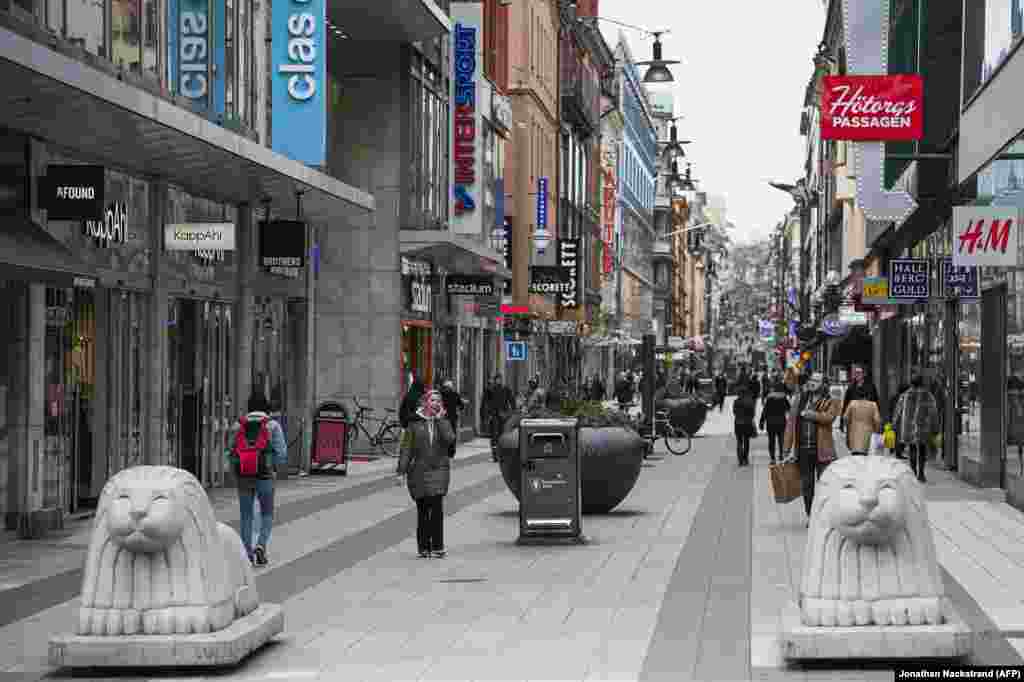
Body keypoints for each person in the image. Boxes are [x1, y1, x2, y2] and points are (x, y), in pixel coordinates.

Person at [226, 391, 287, 567]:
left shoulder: (238, 425)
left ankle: (246, 552)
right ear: (265, 407)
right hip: (266, 476)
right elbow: (282, 454)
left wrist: (238, 467)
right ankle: (260, 545)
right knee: (267, 513)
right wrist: (271, 466)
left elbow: (230, 452)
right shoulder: (272, 425)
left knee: (246, 515)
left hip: (244, 476)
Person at [396, 390, 455, 558]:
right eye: (432, 400)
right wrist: (401, 471)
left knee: (436, 508)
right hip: (419, 472)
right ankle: (423, 547)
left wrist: (441, 420)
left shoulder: (443, 421)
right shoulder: (414, 423)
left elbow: (450, 439)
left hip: (439, 470)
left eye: (438, 400)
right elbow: (406, 449)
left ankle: (437, 546)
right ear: (425, 402)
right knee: (423, 510)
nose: (436, 403)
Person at [784, 372, 841, 523]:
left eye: (817, 380)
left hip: (823, 451)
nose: (812, 382)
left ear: (823, 384)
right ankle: (812, 516)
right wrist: (786, 449)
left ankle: (824, 516)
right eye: (811, 379)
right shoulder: (800, 399)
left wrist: (811, 415)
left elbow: (829, 418)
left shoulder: (831, 400)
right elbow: (790, 424)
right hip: (803, 451)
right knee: (807, 487)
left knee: (825, 486)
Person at [893, 372, 939, 483]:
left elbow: (898, 411)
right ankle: (921, 473)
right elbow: (933, 412)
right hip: (922, 427)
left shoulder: (904, 395)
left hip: (908, 427)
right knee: (922, 449)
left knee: (912, 448)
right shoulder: (927, 395)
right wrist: (935, 427)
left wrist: (894, 423)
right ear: (922, 383)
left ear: (911, 383)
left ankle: (913, 472)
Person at [481, 374, 514, 461]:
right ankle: (496, 456)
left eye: (500, 379)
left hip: (501, 415)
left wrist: (512, 412)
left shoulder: (505, 389)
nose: (499, 381)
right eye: (497, 379)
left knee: (500, 435)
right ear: (495, 380)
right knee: (495, 436)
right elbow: (484, 403)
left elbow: (512, 400)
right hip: (495, 415)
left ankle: (500, 455)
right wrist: (485, 415)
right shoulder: (490, 389)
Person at [759, 380, 791, 464]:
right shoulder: (784, 398)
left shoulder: (769, 398)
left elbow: (765, 411)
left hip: (771, 423)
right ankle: (781, 455)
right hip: (781, 422)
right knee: (781, 440)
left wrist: (761, 422)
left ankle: (772, 458)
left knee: (771, 441)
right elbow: (789, 409)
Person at [844, 389, 881, 456]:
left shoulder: (852, 403)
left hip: (854, 434)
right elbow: (877, 420)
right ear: (868, 396)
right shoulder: (873, 405)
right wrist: (876, 430)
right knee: (865, 456)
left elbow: (845, 418)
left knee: (855, 455)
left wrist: (848, 427)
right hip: (867, 434)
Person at [439, 379, 465, 458]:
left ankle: (446, 451)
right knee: (452, 435)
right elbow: (461, 405)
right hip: (451, 417)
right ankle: (451, 452)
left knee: (444, 434)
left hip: (444, 417)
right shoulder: (455, 394)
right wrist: (458, 410)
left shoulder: (441, 394)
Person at [732, 387, 757, 466]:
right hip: (747, 423)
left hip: (738, 423)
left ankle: (740, 460)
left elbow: (734, 412)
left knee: (739, 442)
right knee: (746, 441)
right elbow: (753, 413)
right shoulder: (750, 402)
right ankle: (745, 459)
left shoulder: (736, 401)